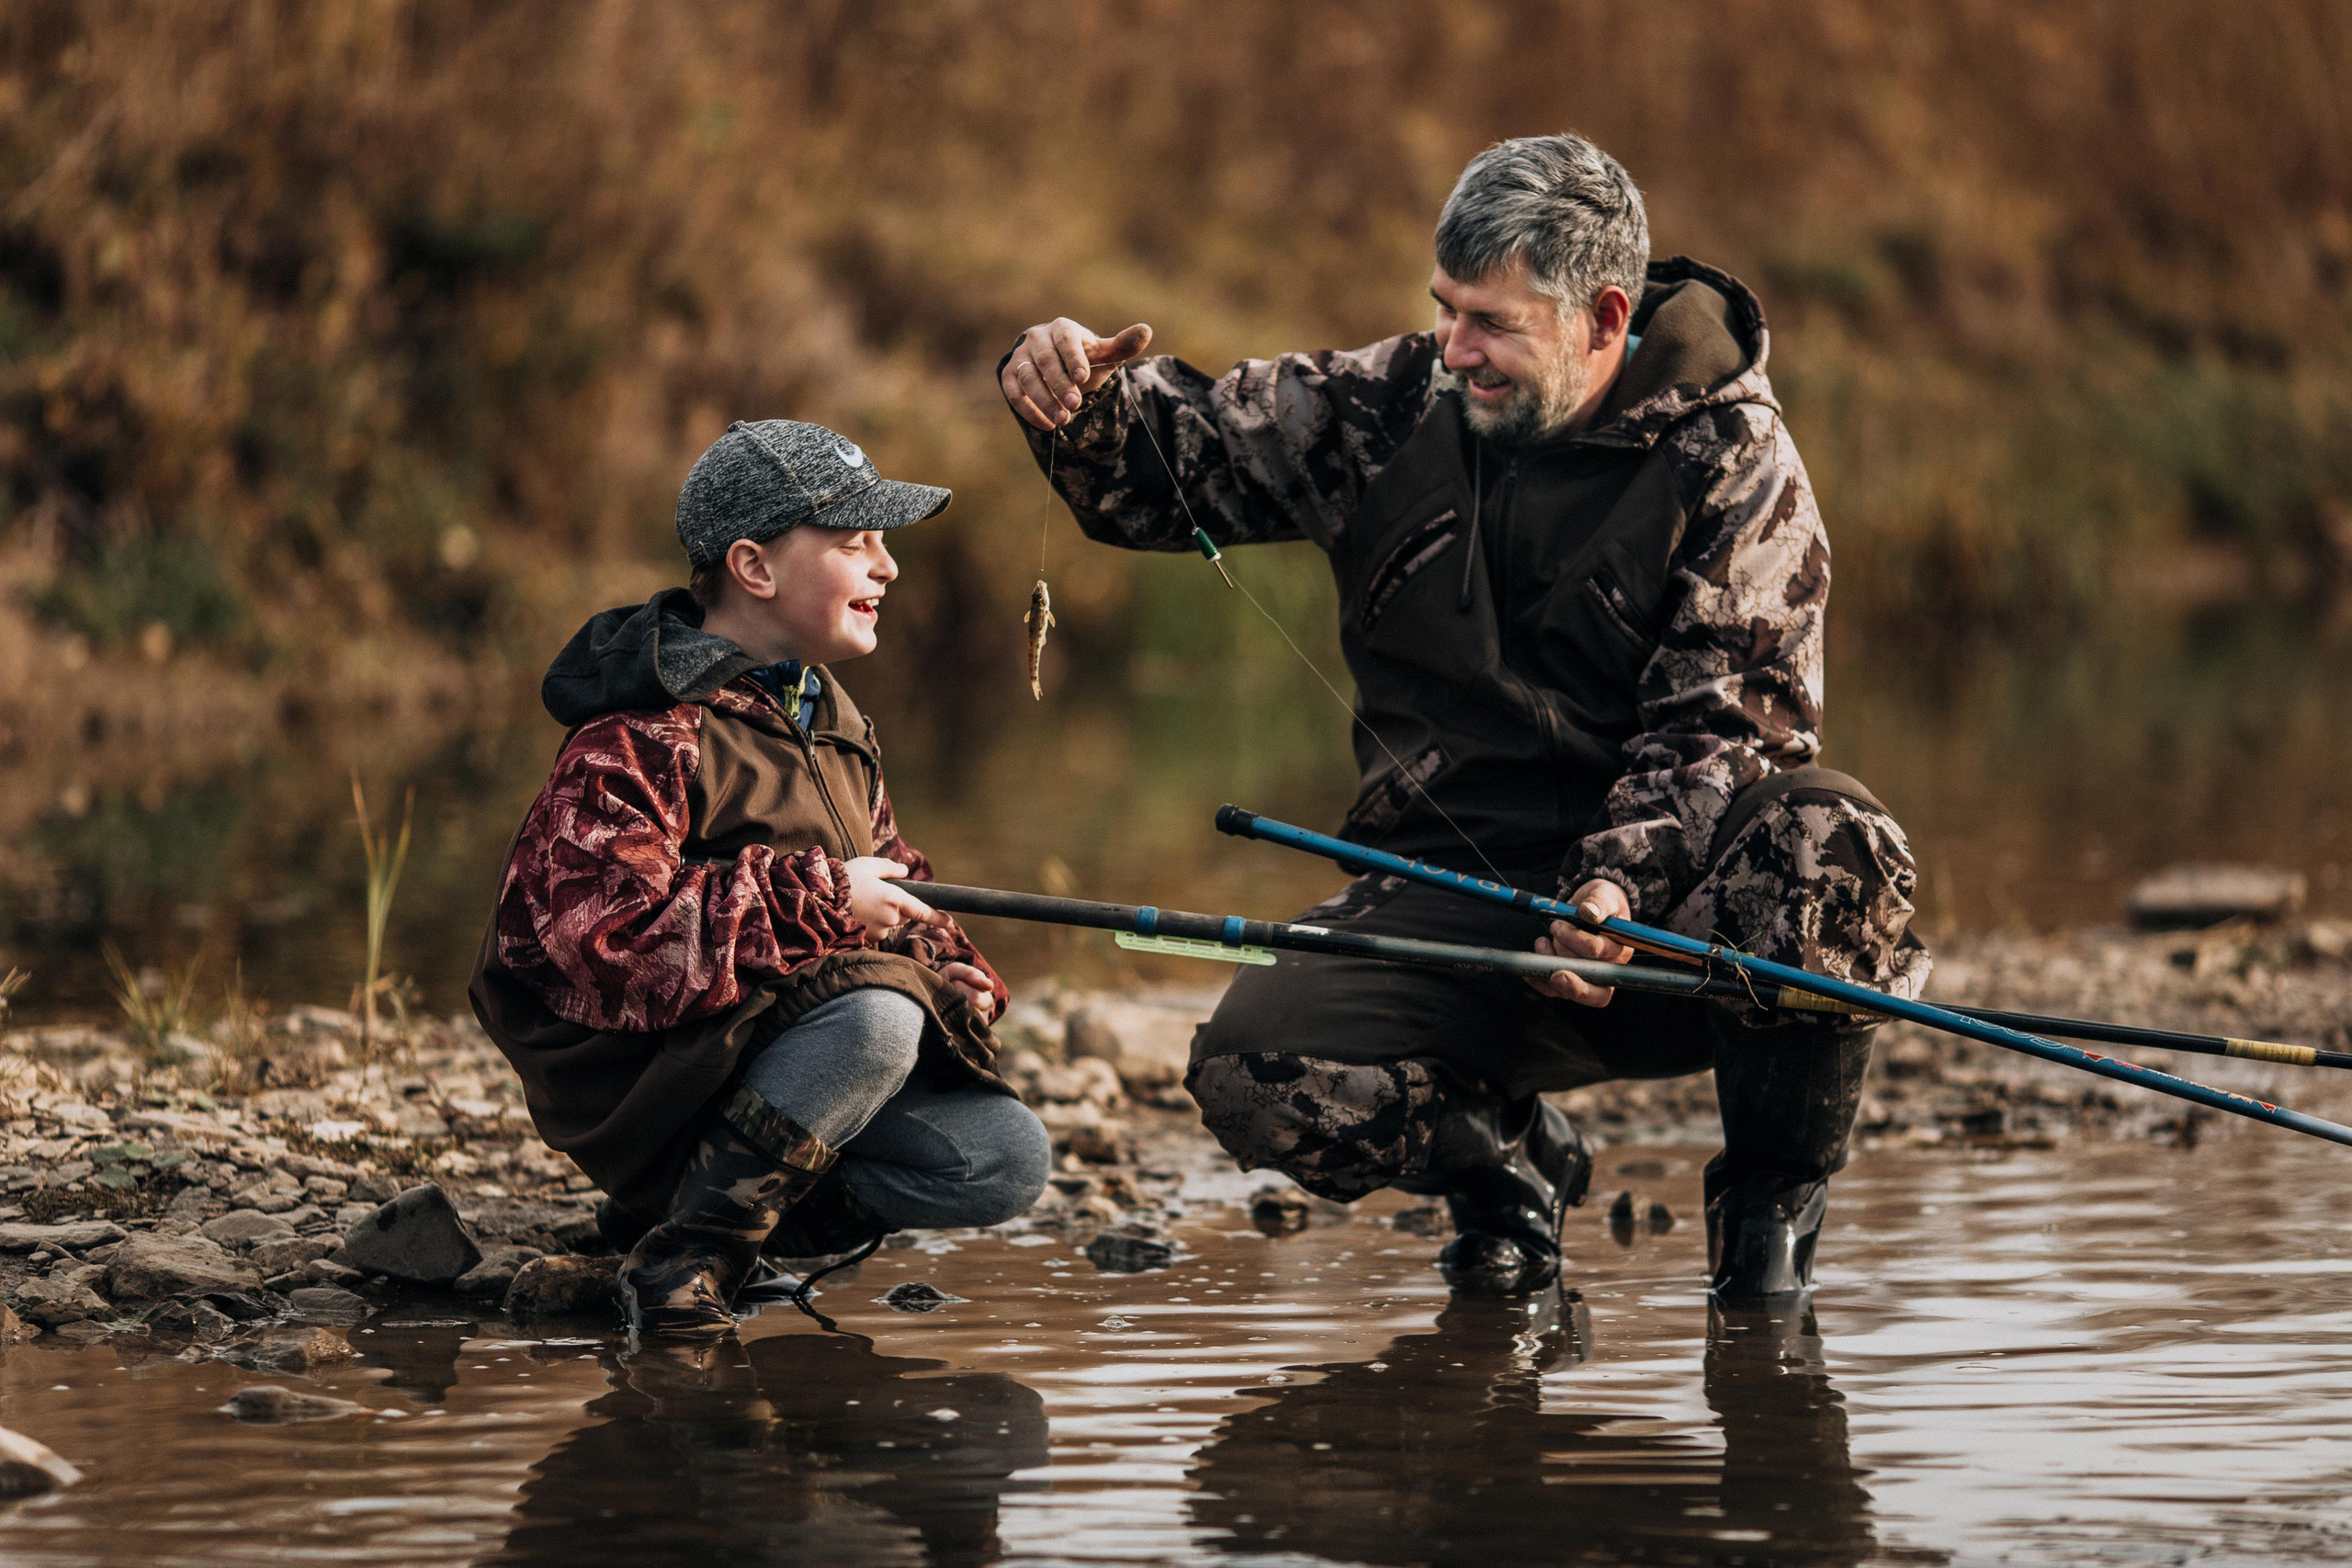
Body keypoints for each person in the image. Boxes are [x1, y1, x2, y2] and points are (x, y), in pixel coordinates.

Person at [1000, 133, 1929, 1300]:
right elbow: (1168, 462)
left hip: (1671, 919)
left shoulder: (1733, 457)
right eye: (1444, 309)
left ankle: (1766, 1234)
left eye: (1489, 322)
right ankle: (1506, 1173)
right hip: (1450, 899)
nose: (1453, 349)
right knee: (1251, 1070)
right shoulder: (1392, 403)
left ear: (1601, 316)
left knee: (1834, 843)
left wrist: (1611, 892)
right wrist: (1070, 394)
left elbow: (1718, 727)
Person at [470, 419, 1051, 1336]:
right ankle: (689, 1258)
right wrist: (826, 899)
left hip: (769, 1050)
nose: (887, 567)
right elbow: (607, 941)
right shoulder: (642, 731)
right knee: (876, 1020)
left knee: (1003, 1157)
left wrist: (938, 953)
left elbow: (892, 871)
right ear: (754, 567)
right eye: (854, 543)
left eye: (884, 543)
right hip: (642, 1078)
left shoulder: (832, 718)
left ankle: (689, 1211)